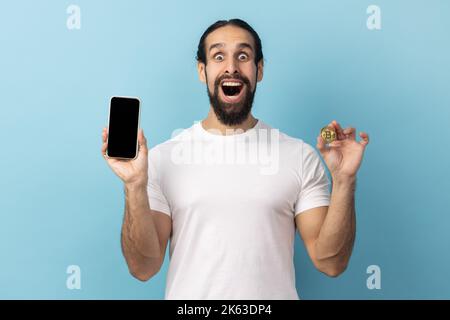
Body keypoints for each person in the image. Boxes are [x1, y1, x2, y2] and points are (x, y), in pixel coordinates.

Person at [101, 19, 370, 300]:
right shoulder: (162, 160)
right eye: (219, 56)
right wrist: (134, 185)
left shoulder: (299, 156)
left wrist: (344, 179)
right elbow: (143, 268)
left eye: (243, 56)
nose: (231, 67)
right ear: (202, 71)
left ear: (259, 70)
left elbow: (331, 263)